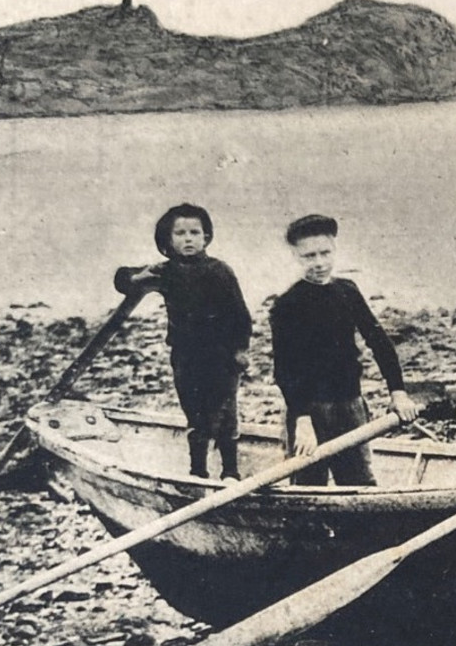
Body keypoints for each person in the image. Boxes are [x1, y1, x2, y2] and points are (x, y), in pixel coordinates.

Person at [269, 214, 420, 486]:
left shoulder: (347, 291)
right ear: (295, 256)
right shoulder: (287, 304)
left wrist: (398, 393)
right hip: (309, 411)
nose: (319, 263)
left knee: (359, 483)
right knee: (307, 488)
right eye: (309, 256)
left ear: (334, 249)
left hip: (350, 405)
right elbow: (285, 370)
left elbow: (379, 341)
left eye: (325, 253)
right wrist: (302, 423)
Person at [115, 203, 252, 479]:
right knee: (195, 413)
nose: (188, 238)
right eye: (180, 233)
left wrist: (240, 350)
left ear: (206, 237)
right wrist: (139, 276)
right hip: (186, 356)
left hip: (221, 356)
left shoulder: (220, 270)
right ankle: (197, 471)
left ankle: (230, 470)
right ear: (168, 239)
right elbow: (122, 279)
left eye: (194, 232)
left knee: (226, 411)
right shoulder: (165, 272)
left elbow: (241, 315)